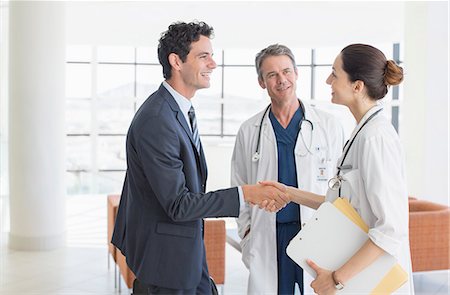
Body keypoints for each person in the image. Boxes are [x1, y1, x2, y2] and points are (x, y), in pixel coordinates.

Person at [111, 21, 288, 295]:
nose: (213, 64)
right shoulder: (158, 120)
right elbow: (178, 204)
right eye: (203, 56)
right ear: (176, 62)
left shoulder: (177, 111)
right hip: (164, 262)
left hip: (184, 253)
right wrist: (246, 194)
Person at [264, 43, 414, 294]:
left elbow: (391, 228)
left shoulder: (376, 138)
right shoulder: (362, 133)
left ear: (357, 86)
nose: (327, 80)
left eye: (335, 73)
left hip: (371, 280)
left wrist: (336, 279)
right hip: (355, 275)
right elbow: (339, 205)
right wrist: (288, 193)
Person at [231, 44, 344, 295]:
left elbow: (341, 187)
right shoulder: (250, 130)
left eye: (286, 71)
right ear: (262, 82)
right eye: (272, 75)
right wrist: (247, 233)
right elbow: (239, 186)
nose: (281, 80)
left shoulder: (328, 126)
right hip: (268, 235)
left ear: (296, 73)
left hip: (315, 232)